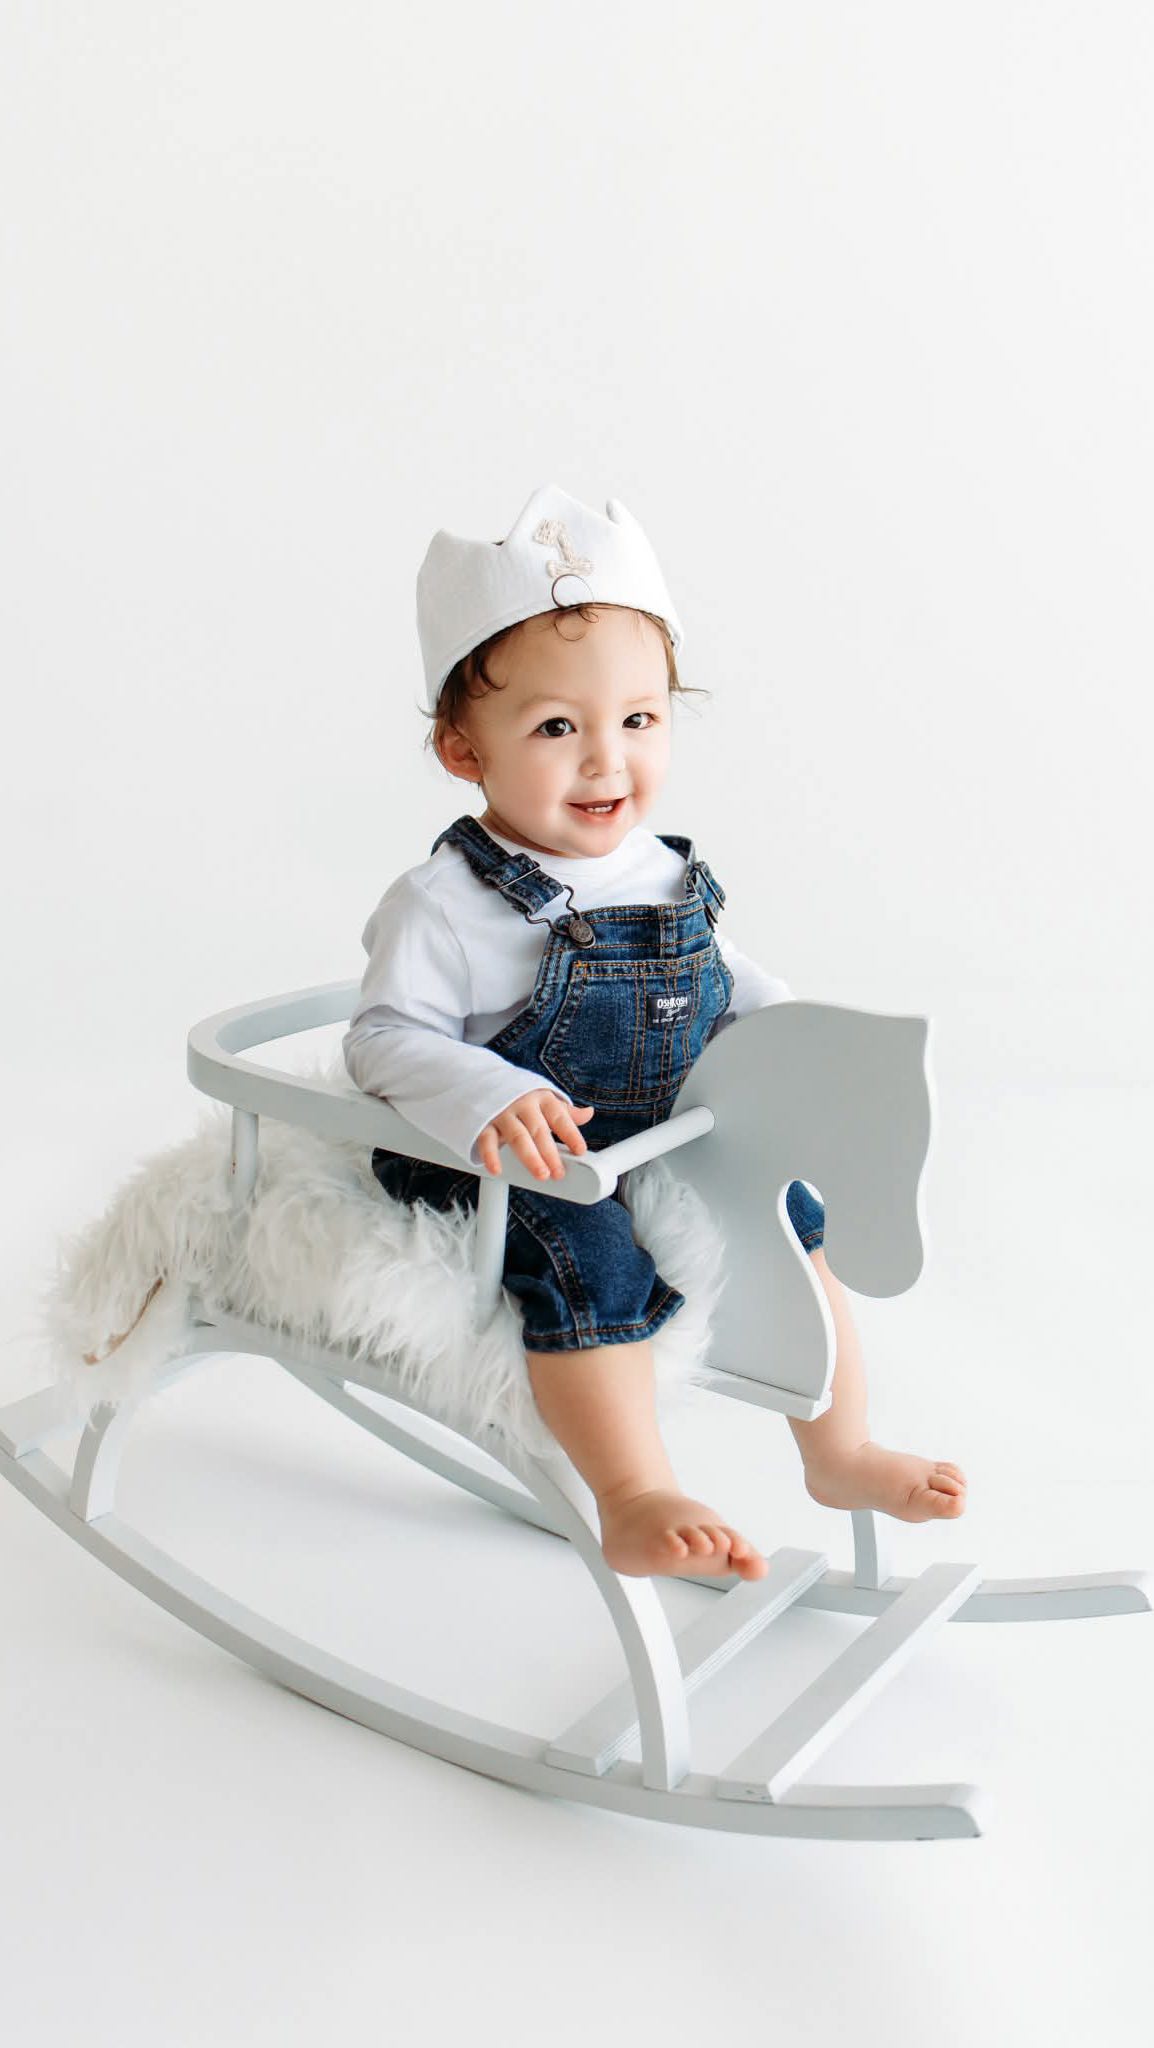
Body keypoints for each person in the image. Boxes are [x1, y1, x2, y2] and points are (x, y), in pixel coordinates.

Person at [344, 483, 966, 1581]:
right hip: (501, 1164)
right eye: (554, 727)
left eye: (637, 720)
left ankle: (839, 1447)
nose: (605, 760)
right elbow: (386, 1037)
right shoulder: (444, 901)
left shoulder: (664, 868)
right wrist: (486, 1094)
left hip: (651, 1135)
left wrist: (790, 1032)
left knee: (795, 1214)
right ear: (461, 747)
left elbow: (718, 980)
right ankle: (632, 1490)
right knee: (591, 1259)